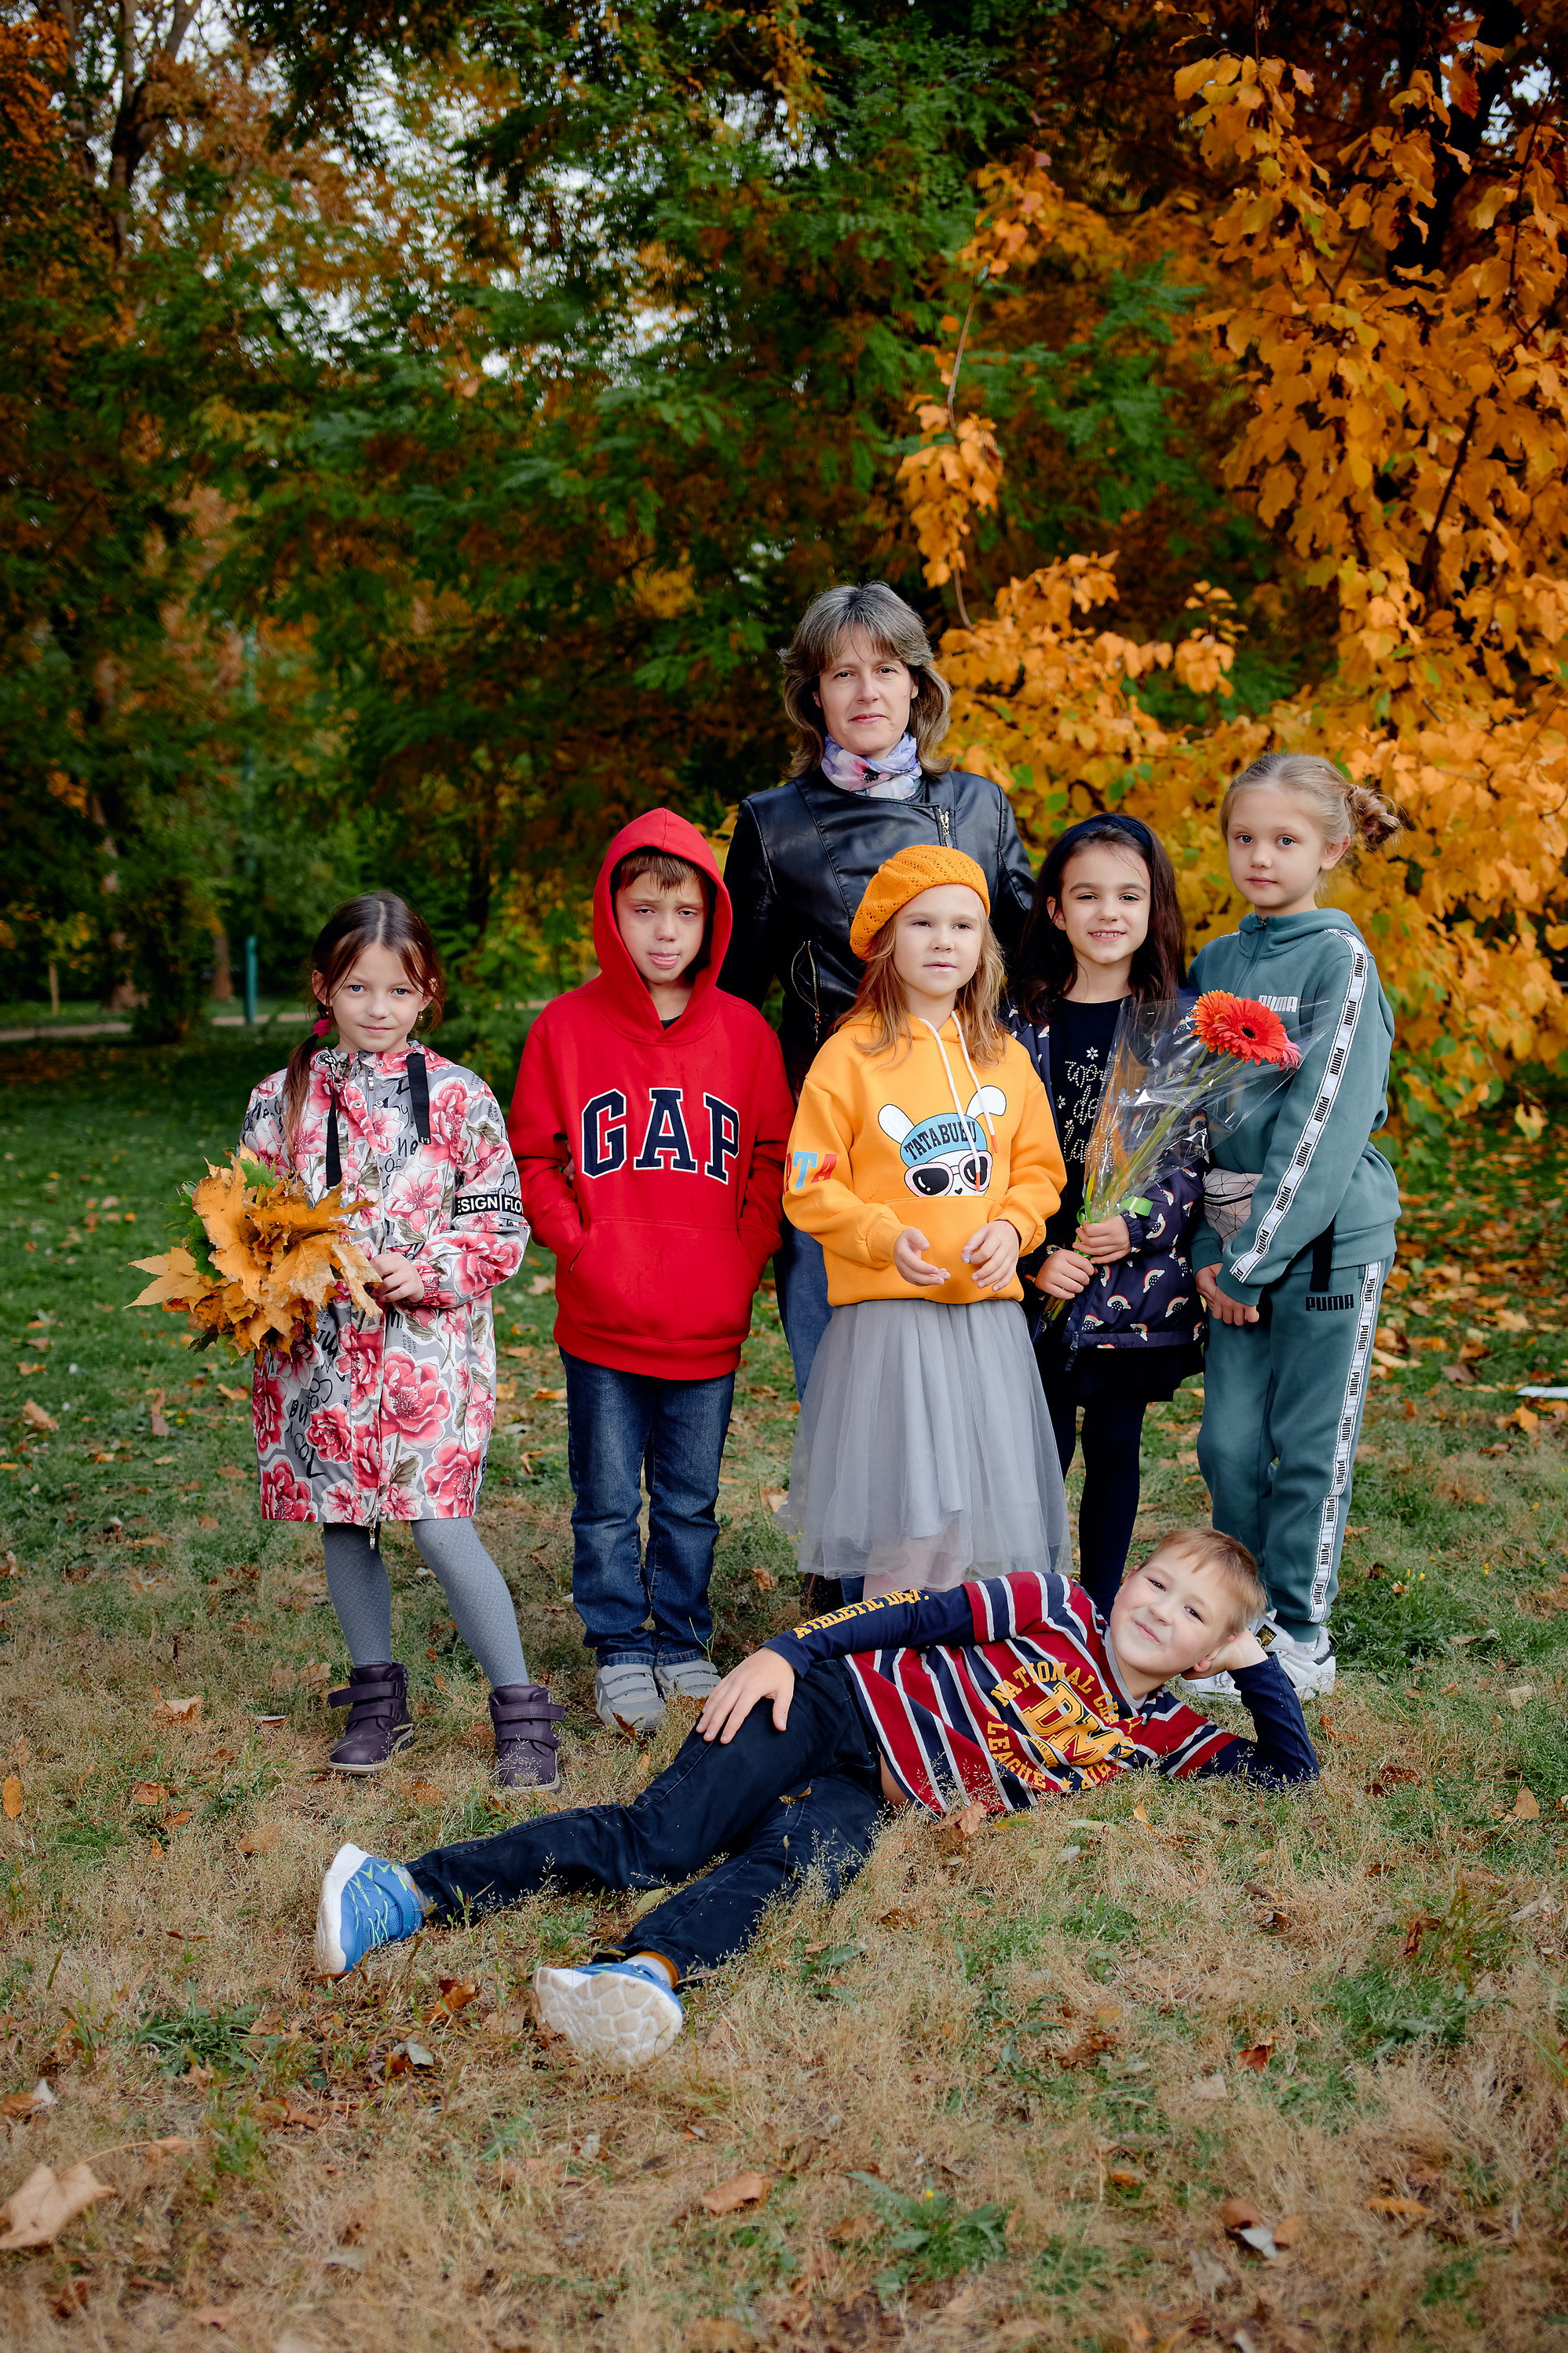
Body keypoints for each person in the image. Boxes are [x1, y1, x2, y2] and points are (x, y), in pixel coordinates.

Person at [312, 1526, 1318, 2068]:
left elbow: (1286, 1775)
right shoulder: (1051, 1603)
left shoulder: (1156, 1733)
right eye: (1152, 1581)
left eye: (1191, 1614)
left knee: (797, 1875)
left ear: (1205, 1655)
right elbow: (908, 1611)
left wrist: (1258, 1656)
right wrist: (784, 1651)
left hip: (875, 1792)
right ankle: (398, 1889)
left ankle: (641, 1977)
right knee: (658, 1839)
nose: (1154, 1609)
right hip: (830, 1704)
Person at [239, 895, 559, 1790]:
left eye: (399, 990)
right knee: (345, 1520)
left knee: (438, 1521)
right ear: (323, 988)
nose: (377, 1008)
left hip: (429, 1351)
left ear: (427, 995)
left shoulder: (461, 1098)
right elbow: (249, 1221)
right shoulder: (281, 1099)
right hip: (322, 1355)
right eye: (357, 987)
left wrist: (433, 1269)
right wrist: (299, 1268)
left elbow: (499, 1215)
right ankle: (378, 1697)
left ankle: (521, 1710)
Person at [508, 810, 793, 1746]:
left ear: (712, 919)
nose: (664, 930)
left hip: (705, 1319)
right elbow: (536, 1157)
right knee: (603, 1501)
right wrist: (579, 1246)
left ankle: (678, 1635)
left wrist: (741, 1255)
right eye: (642, 909)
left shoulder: (744, 1033)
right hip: (603, 1318)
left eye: (683, 910)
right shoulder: (566, 1028)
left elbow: (769, 1156)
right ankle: (618, 1645)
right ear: (610, 913)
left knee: (686, 1498)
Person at [718, 580, 1036, 1397]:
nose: (866, 691)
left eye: (886, 669)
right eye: (841, 673)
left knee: (966, 1389)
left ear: (917, 686)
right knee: (843, 1388)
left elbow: (1032, 958)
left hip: (965, 1130)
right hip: (839, 1136)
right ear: (811, 694)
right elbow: (733, 999)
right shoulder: (772, 820)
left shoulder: (978, 805)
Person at [780, 845, 1069, 1599]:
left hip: (985, 1321)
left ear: (985, 946)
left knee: (966, 1517)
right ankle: (884, 1666)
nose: (944, 941)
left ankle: (940, 1663)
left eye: (963, 926)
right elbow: (809, 1183)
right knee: (910, 1516)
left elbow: (1040, 1172)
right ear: (884, 941)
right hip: (893, 1322)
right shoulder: (849, 1056)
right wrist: (880, 1235)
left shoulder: (1003, 1058)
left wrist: (1013, 1229)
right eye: (922, 924)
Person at [1188, 752, 1404, 1700]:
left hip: (1321, 1247)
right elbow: (1191, 1113)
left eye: (1283, 840)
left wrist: (1250, 1259)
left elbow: (1321, 1123)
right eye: (1244, 837)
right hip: (1234, 1252)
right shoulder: (1217, 961)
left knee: (1307, 1445)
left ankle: (1300, 1631)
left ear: (1330, 848)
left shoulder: (1337, 959)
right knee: (1227, 1445)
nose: (1259, 856)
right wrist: (1211, 1247)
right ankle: (1241, 1613)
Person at [1008, 814, 1205, 1616]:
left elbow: (1193, 1157)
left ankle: (1093, 1607)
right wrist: (1031, 1256)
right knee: (1038, 1446)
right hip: (1037, 1272)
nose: (1107, 912)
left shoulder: (1178, 1026)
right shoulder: (1017, 1021)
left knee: (1113, 1441)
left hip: (1132, 1286)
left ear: (1153, 905)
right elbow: (988, 1153)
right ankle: (1028, 1602)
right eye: (1085, 895)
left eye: (1128, 894)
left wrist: (1139, 1225)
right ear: (1055, 909)